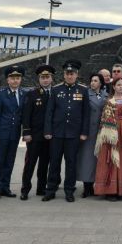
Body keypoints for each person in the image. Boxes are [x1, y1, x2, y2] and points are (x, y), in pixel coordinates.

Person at [42, 60, 90, 203]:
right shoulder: (56, 90)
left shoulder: (83, 90)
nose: (70, 76)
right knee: (54, 163)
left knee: (71, 163)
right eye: (68, 74)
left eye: (72, 74)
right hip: (57, 133)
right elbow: (49, 112)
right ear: (64, 75)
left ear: (77, 75)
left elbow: (86, 113)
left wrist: (84, 132)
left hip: (73, 134)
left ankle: (69, 190)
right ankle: (51, 189)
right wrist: (48, 130)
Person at [0, 64, 26, 199]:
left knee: (10, 161)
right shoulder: (0, 94)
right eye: (12, 78)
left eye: (18, 78)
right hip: (2, 133)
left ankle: (6, 187)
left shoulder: (23, 94)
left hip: (15, 133)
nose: (15, 80)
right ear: (7, 80)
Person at [20, 63, 55, 200]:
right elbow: (26, 115)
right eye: (42, 77)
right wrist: (26, 132)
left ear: (52, 78)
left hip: (49, 136)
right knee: (30, 164)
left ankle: (41, 188)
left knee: (44, 164)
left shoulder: (56, 93)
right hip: (34, 136)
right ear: (39, 79)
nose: (45, 80)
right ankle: (25, 189)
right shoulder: (32, 94)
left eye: (47, 77)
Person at [94, 76, 122, 199]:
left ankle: (120, 190)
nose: (121, 87)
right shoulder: (110, 101)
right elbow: (105, 119)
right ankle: (110, 191)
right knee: (112, 160)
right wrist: (112, 135)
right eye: (118, 85)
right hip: (113, 132)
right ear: (113, 87)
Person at [76, 73, 106, 197]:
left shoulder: (106, 95)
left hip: (101, 132)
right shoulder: (86, 94)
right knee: (86, 160)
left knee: (98, 160)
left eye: (95, 81)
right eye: (92, 80)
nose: (93, 83)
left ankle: (97, 185)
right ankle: (87, 187)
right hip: (88, 131)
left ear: (101, 83)